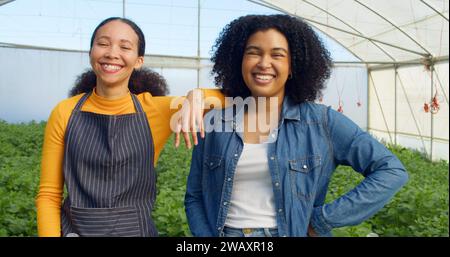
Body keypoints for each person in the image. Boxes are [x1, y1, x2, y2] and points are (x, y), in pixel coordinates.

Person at [184, 14, 409, 237]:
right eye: (253, 53)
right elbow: (195, 195)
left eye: (277, 55)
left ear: (292, 66)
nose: (264, 63)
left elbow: (390, 170)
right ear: (239, 61)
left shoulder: (322, 122)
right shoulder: (215, 123)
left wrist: (322, 221)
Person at [35, 17, 222, 237]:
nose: (112, 53)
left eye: (125, 47)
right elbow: (49, 195)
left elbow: (234, 96)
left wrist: (197, 95)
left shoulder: (157, 110)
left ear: (138, 60)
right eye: (103, 43)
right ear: (91, 53)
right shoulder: (64, 112)